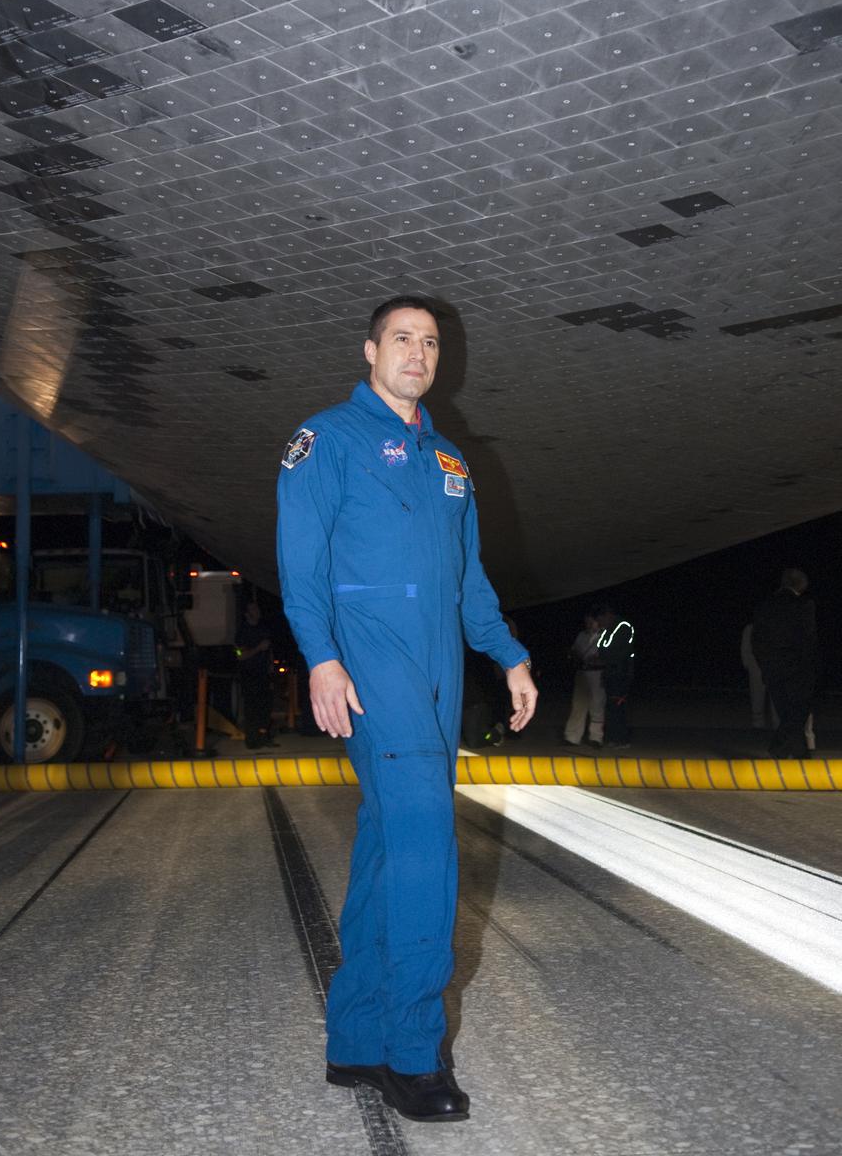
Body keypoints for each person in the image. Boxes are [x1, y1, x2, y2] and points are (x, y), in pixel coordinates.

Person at [276, 295, 537, 1123]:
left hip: (439, 676)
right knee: (427, 844)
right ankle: (414, 1055)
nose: (418, 353)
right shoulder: (326, 440)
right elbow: (300, 560)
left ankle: (355, 1042)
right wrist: (319, 657)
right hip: (371, 670)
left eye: (430, 342)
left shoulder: (451, 460)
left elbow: (468, 580)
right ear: (369, 350)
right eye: (402, 339)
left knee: (390, 848)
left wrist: (509, 652)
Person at [751, 569, 817, 759]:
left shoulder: (765, 605)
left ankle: (799, 754)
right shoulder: (805, 604)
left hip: (772, 668)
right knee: (798, 712)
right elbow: (808, 640)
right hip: (797, 668)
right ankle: (779, 749)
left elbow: (757, 641)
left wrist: (764, 665)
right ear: (801, 585)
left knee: (787, 712)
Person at [234, 600, 276, 749]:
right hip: (249, 674)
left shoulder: (263, 629)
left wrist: (271, 665)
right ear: (247, 614)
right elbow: (240, 655)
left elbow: (269, 650)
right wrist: (258, 648)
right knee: (251, 709)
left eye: (257, 608)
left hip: (263, 674)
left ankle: (264, 737)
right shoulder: (242, 633)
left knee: (264, 708)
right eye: (253, 608)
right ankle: (252, 740)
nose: (257, 611)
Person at [592, 604, 635, 749]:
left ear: (608, 615)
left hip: (620, 673)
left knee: (618, 706)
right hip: (609, 673)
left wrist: (604, 658)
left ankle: (622, 739)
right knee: (611, 706)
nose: (599, 624)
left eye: (600, 620)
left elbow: (618, 652)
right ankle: (612, 738)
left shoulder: (623, 626)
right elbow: (601, 648)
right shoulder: (606, 630)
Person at [562, 612, 605, 748]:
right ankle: (572, 737)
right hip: (582, 673)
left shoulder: (605, 635)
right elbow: (575, 650)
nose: (588, 625)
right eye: (586, 622)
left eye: (591, 621)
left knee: (597, 706)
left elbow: (609, 656)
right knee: (578, 705)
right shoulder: (582, 635)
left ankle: (596, 738)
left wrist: (598, 660)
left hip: (597, 674)